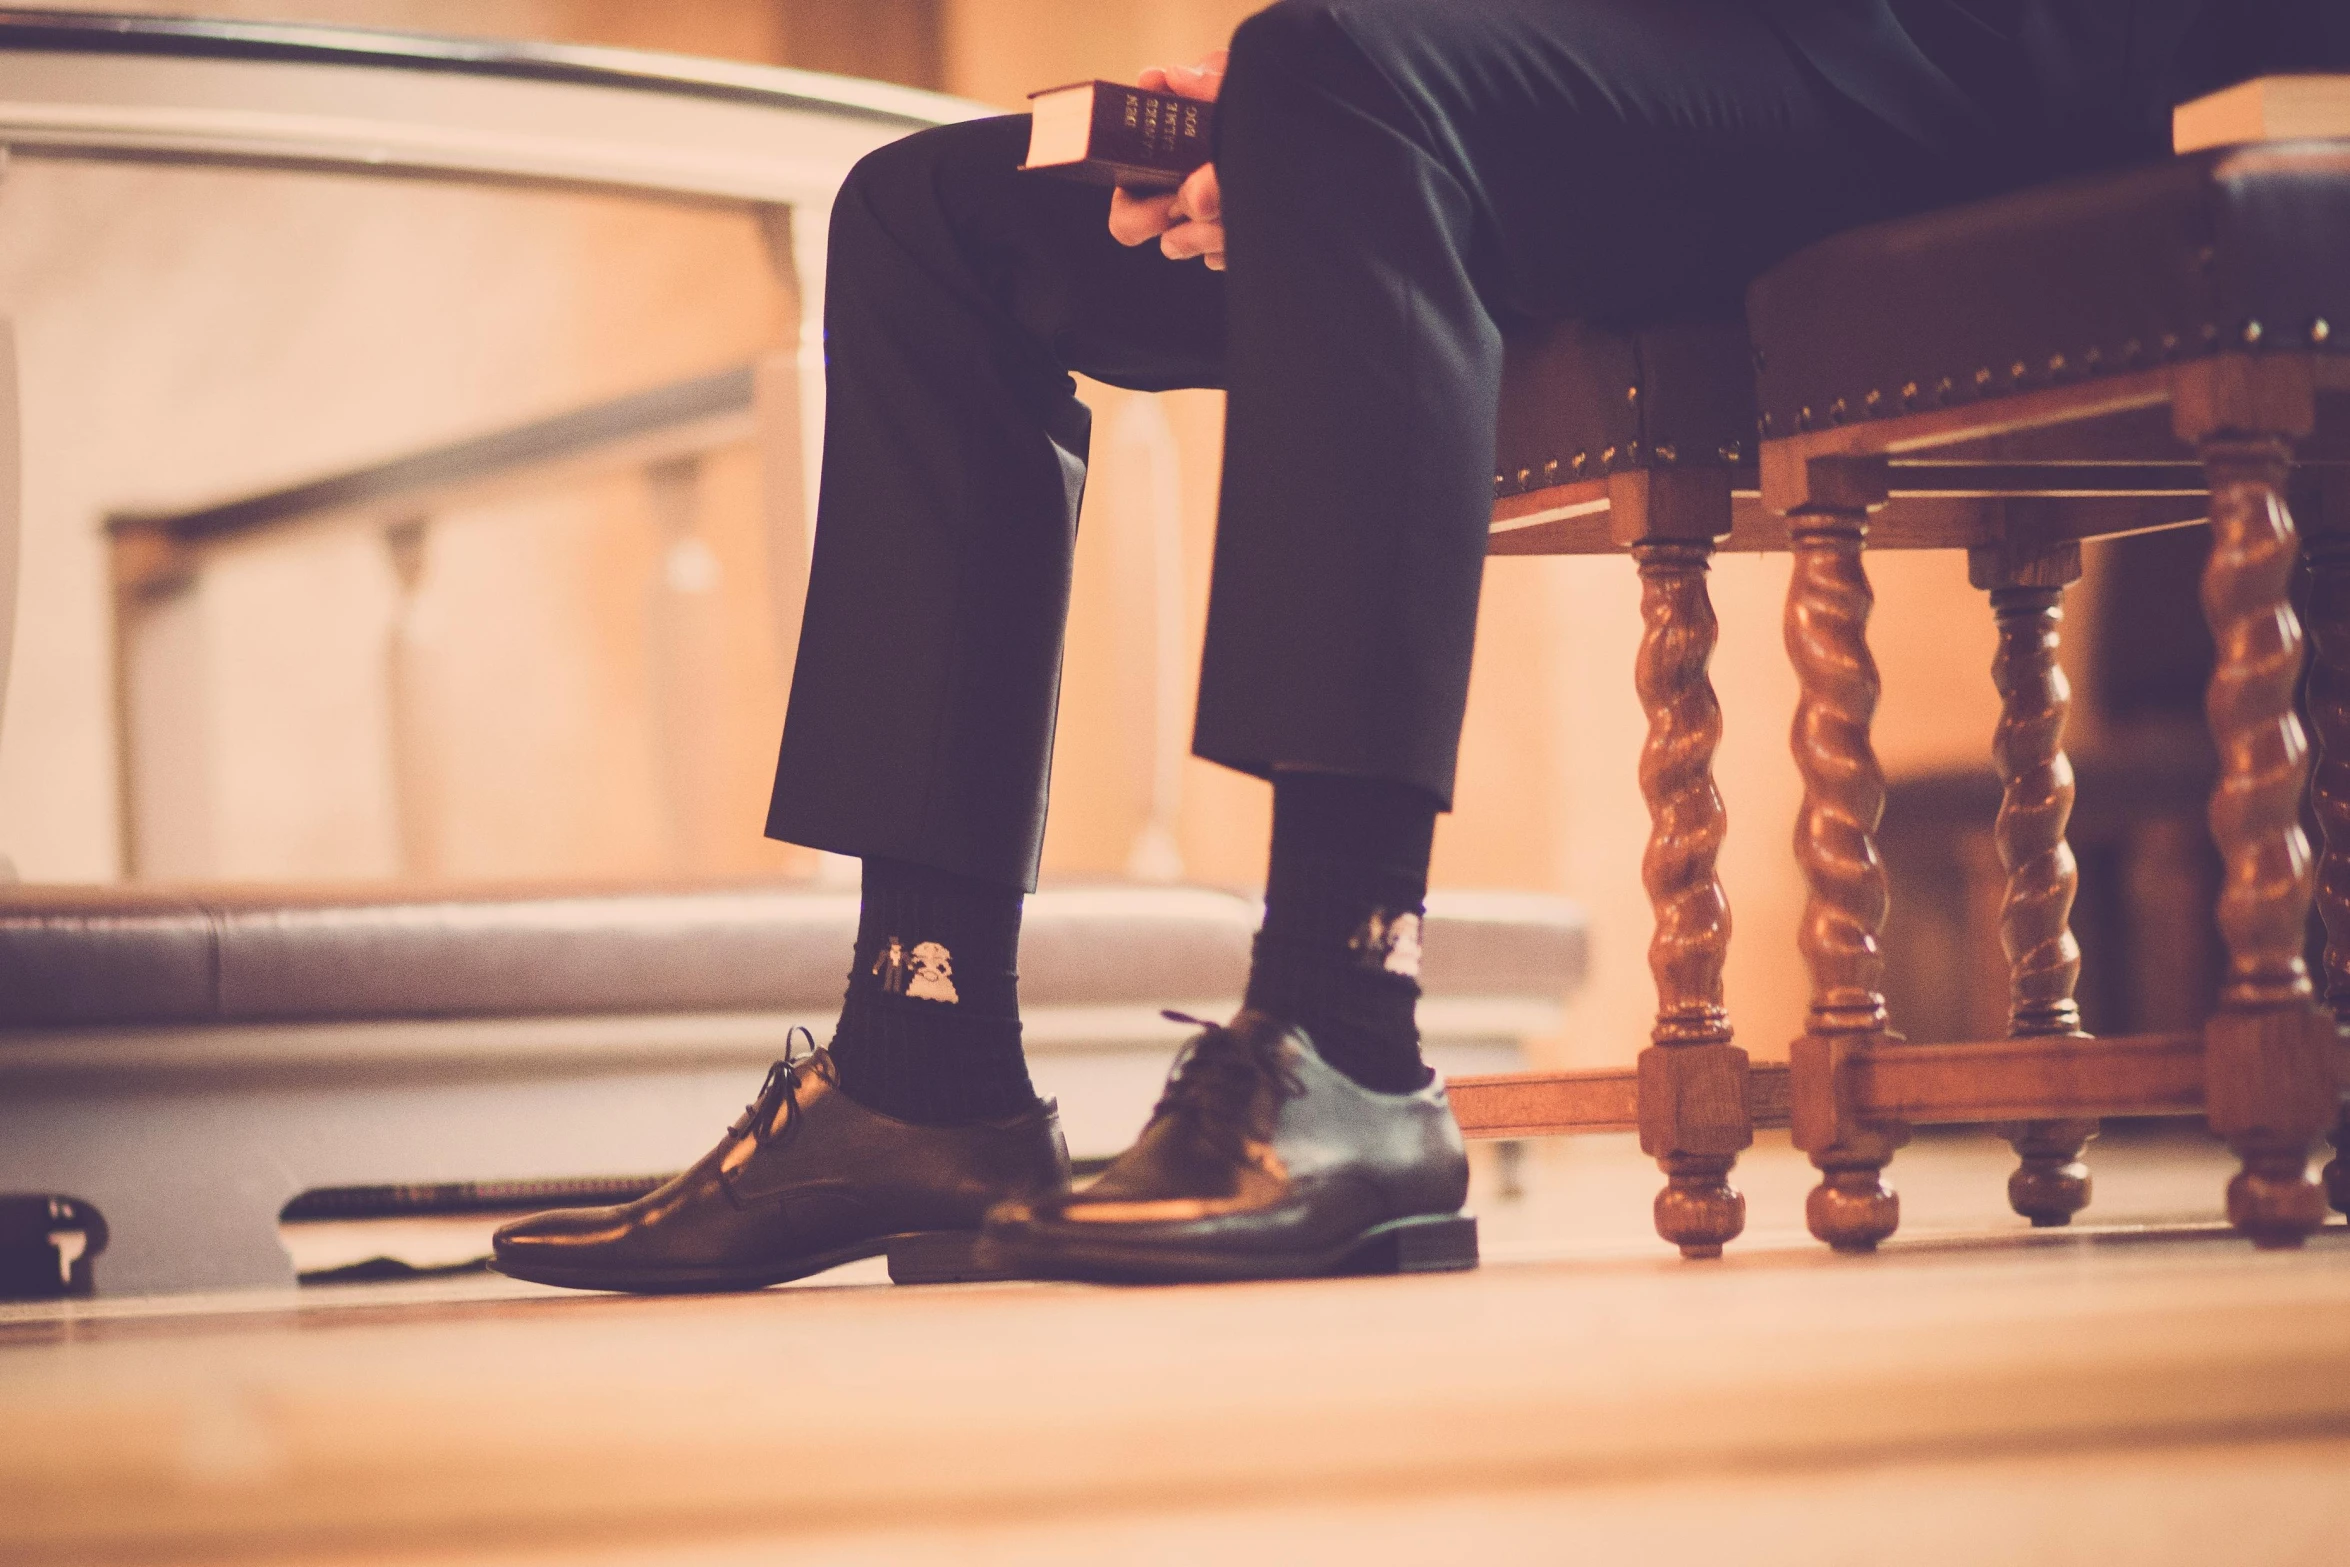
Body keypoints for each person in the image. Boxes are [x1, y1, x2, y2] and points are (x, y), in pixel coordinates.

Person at [492, 0, 2341, 1290]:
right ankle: (921, 1060)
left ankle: (1347, 1030)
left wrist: (1332, 77)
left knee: (1336, 81)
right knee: (931, 210)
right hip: (1605, 67)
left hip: (1938, 59)